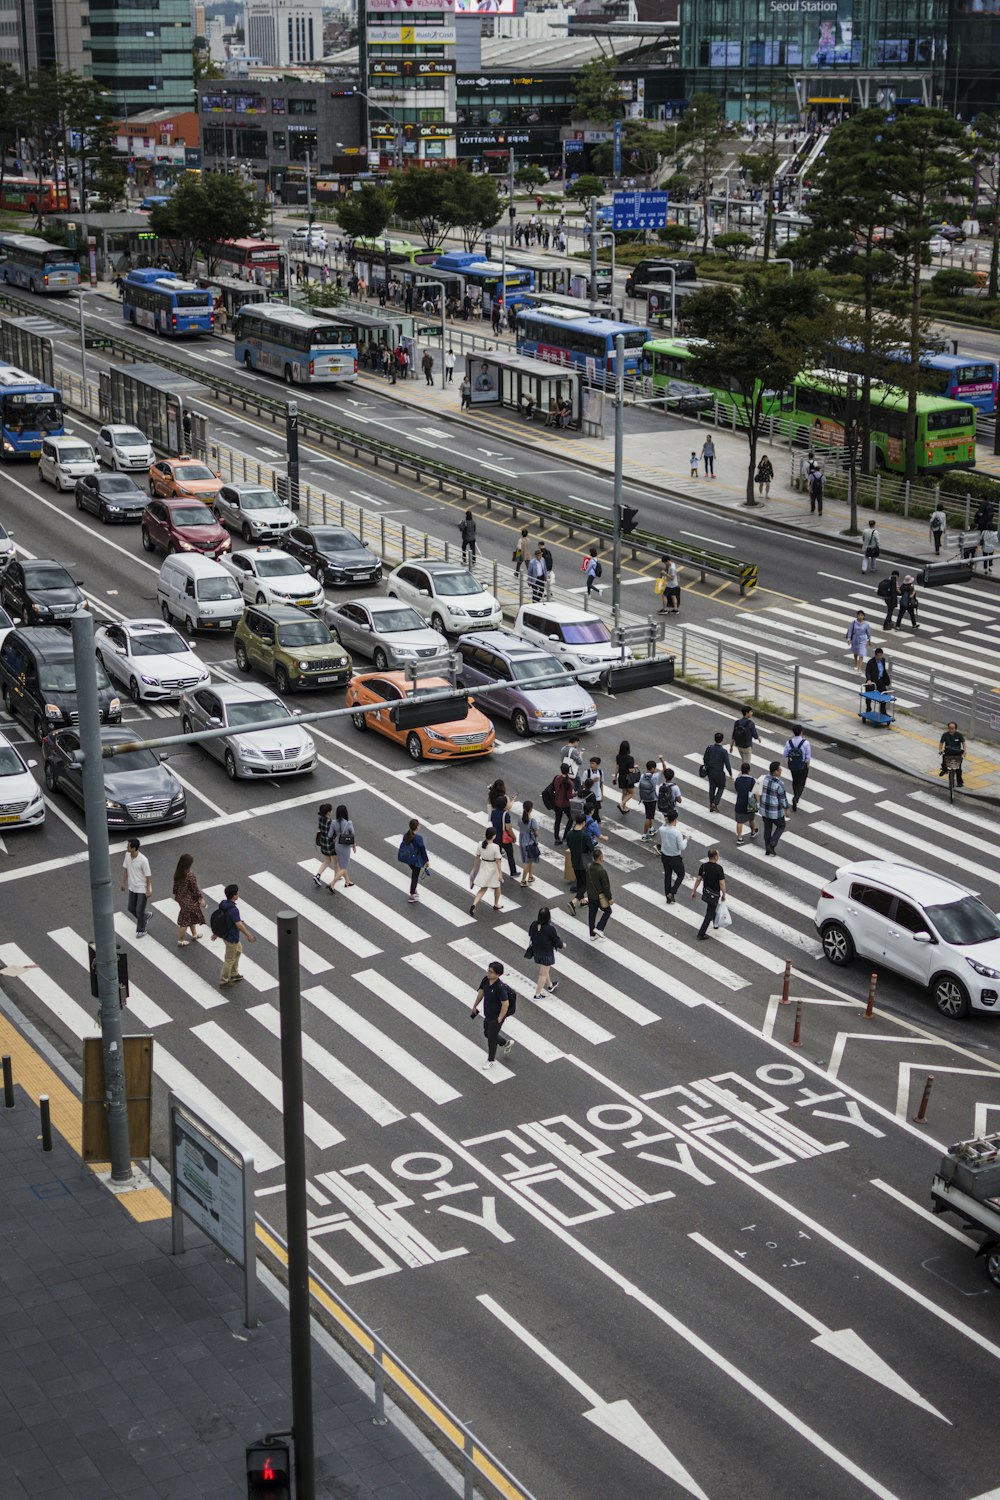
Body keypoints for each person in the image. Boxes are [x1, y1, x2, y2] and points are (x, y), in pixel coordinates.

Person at [470, 961, 515, 1069]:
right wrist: (475, 1005)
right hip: (488, 1014)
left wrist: (500, 1018)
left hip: (496, 1017)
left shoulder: (500, 987)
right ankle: (505, 1043)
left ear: (498, 974)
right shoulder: (486, 980)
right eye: (488, 970)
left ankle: (491, 1060)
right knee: (487, 1033)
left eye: (491, 972)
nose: (489, 973)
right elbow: (481, 992)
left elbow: (506, 1004)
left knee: (492, 1038)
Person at [215, 884, 255, 986]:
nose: (238, 894)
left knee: (238, 950)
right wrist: (248, 935)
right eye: (237, 893)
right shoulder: (233, 910)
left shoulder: (223, 903)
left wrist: (216, 932)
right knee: (229, 959)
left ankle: (234, 973)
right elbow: (239, 925)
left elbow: (220, 918)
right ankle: (224, 981)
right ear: (234, 896)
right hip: (231, 937)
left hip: (227, 935)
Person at [527, 907, 564, 999]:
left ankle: (550, 985)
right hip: (546, 954)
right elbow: (557, 941)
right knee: (542, 974)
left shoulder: (534, 924)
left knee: (544, 970)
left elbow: (530, 934)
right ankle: (537, 994)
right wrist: (563, 945)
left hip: (536, 952)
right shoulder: (550, 929)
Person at [690, 849, 726, 940]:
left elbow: (698, 879)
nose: (719, 856)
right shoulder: (719, 868)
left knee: (711, 908)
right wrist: (724, 893)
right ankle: (701, 933)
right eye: (718, 855)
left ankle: (715, 923)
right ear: (715, 856)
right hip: (714, 894)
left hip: (706, 892)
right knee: (709, 912)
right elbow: (722, 883)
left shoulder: (703, 866)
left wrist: (694, 890)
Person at [121, 839, 152, 939]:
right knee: (131, 908)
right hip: (132, 886)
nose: (127, 848)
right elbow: (126, 869)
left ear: (134, 848)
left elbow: (148, 876)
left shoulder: (143, 860)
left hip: (142, 888)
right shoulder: (127, 855)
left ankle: (141, 930)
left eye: (128, 846)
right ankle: (145, 917)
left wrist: (148, 890)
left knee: (139, 910)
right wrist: (123, 883)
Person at [470, 826, 504, 915]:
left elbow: (477, 857)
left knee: (483, 889)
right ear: (493, 836)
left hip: (484, 866)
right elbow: (498, 861)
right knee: (497, 887)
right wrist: (500, 874)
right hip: (493, 868)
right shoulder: (495, 847)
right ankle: (496, 903)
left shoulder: (480, 844)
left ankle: (474, 905)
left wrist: (474, 868)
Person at [172, 852, 204, 946]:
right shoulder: (190, 875)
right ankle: (180, 940)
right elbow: (195, 889)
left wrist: (177, 896)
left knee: (190, 916)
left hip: (181, 899)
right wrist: (200, 898)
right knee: (185, 921)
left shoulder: (178, 874)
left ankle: (194, 934)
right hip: (189, 900)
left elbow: (175, 888)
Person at [758, 762, 789, 857]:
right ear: (775, 771)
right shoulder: (779, 784)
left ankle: (767, 848)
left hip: (764, 809)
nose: (781, 771)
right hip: (775, 811)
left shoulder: (764, 779)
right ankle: (772, 844)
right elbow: (782, 798)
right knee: (781, 826)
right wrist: (786, 808)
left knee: (767, 828)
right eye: (780, 769)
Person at [566, 812, 595, 911]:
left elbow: (569, 845)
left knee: (579, 881)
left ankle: (582, 901)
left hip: (574, 861)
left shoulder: (569, 834)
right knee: (587, 883)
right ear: (583, 822)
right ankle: (573, 902)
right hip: (584, 862)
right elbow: (591, 848)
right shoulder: (585, 835)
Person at [489, 784, 518, 878]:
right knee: (510, 855)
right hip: (504, 838)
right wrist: (513, 837)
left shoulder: (493, 812)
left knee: (497, 856)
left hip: (495, 837)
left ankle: (496, 872)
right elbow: (508, 828)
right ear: (505, 804)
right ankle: (513, 872)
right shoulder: (506, 815)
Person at [397, 818, 430, 902]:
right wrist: (427, 861)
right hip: (415, 860)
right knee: (415, 876)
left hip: (408, 859)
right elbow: (423, 850)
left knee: (414, 874)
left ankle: (414, 890)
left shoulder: (406, 835)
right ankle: (412, 894)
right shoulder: (418, 838)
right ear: (417, 827)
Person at [585, 847, 614, 941]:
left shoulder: (589, 867)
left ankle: (592, 935)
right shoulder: (601, 871)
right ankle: (599, 928)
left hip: (591, 895)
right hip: (599, 897)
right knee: (608, 911)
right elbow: (605, 886)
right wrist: (610, 898)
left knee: (592, 915)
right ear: (601, 857)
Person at [658, 811, 686, 903]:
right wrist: (686, 840)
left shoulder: (662, 829)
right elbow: (681, 847)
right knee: (681, 874)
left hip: (665, 856)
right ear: (675, 820)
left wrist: (666, 821)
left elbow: (664, 825)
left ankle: (667, 896)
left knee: (667, 875)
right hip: (674, 857)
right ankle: (672, 892)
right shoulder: (677, 833)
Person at [702, 731, 732, 813]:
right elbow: (727, 763)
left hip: (710, 771)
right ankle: (715, 803)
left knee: (712, 788)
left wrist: (707, 766)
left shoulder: (709, 748)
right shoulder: (723, 751)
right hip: (719, 772)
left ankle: (711, 805)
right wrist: (730, 773)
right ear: (722, 740)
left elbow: (704, 759)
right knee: (721, 786)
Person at [783, 725, 811, 811]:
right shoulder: (806, 743)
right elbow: (808, 756)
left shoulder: (789, 742)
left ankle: (795, 795)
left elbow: (785, 754)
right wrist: (807, 764)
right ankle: (796, 798)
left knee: (795, 781)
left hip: (793, 765)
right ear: (801, 732)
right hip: (802, 765)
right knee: (801, 783)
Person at [330, 804, 356, 890]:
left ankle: (347, 881)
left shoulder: (333, 822)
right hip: (345, 846)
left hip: (337, 845)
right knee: (344, 867)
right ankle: (332, 883)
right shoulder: (348, 823)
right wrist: (354, 845)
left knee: (342, 864)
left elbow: (330, 835)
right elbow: (353, 834)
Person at [733, 760, 758, 846]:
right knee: (751, 818)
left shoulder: (738, 780)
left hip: (740, 802)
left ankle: (740, 838)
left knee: (740, 821)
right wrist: (757, 802)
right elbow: (755, 792)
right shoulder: (752, 780)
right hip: (750, 803)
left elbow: (736, 789)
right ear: (749, 770)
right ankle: (753, 832)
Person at [313, 801, 337, 886]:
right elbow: (333, 834)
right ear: (328, 812)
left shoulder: (320, 819)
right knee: (335, 862)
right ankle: (336, 877)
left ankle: (318, 875)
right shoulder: (331, 822)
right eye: (331, 810)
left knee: (327, 861)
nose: (332, 811)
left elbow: (319, 828)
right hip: (330, 844)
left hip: (323, 843)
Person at [518, 801, 540, 886]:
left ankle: (530, 876)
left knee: (530, 860)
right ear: (531, 809)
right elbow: (537, 833)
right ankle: (523, 880)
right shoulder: (532, 821)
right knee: (528, 861)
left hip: (522, 841)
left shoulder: (520, 818)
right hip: (530, 843)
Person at [552, 762, 575, 843]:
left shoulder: (557, 778)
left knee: (557, 820)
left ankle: (557, 838)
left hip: (557, 802)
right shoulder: (569, 783)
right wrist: (575, 794)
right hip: (565, 804)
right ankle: (565, 835)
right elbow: (569, 796)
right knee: (571, 819)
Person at [938, 722, 966, 786]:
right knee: (944, 762)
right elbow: (941, 743)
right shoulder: (945, 735)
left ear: (955, 729)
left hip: (957, 753)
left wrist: (965, 750)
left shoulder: (959, 735)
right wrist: (940, 750)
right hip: (948, 752)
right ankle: (944, 770)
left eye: (953, 728)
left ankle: (959, 782)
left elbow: (963, 742)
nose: (951, 730)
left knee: (958, 769)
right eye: (950, 728)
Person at [615, 740, 637, 814]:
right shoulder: (630, 758)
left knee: (624, 793)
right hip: (628, 778)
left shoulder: (618, 757)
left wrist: (615, 777)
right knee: (631, 793)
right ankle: (621, 804)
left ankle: (623, 808)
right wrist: (635, 767)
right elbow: (631, 770)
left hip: (621, 777)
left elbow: (617, 768)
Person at [583, 756, 604, 822]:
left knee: (596, 811)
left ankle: (594, 823)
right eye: (590, 763)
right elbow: (583, 784)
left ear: (597, 765)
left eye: (593, 763)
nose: (591, 765)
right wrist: (592, 780)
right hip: (589, 795)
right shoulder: (587, 772)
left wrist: (602, 794)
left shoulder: (600, 772)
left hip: (597, 795)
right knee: (589, 811)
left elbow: (601, 784)